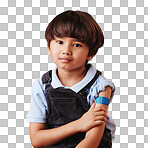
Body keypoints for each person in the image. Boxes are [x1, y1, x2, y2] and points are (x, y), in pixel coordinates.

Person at [27, 10, 116, 148]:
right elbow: (37, 140)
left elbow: (93, 141)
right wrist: (79, 124)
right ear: (49, 47)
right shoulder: (42, 85)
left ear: (90, 53)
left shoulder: (101, 87)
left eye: (76, 45)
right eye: (59, 42)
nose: (66, 50)